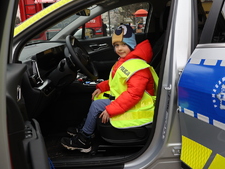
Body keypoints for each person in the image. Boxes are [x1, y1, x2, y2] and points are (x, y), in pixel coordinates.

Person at [61, 24, 158, 153]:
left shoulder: (138, 67)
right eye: (116, 45)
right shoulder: (126, 61)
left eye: (123, 44)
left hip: (140, 104)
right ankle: (87, 128)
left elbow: (134, 95)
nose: (119, 48)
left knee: (97, 105)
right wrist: (102, 87)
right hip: (128, 98)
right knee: (96, 97)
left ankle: (84, 140)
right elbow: (118, 80)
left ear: (132, 45)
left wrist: (111, 109)